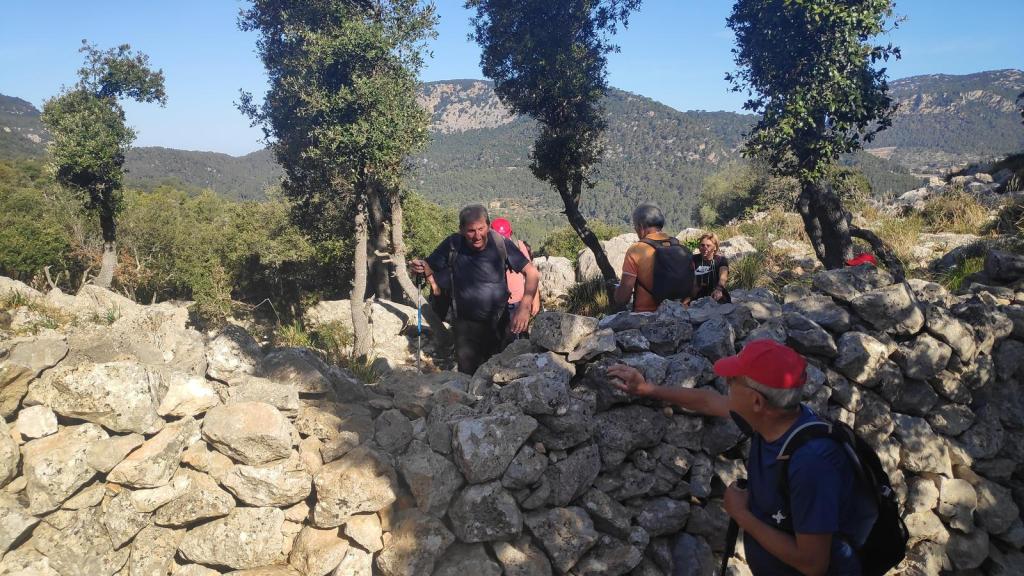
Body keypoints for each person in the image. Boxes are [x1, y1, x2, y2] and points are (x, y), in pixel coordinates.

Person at [607, 340, 877, 576]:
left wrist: (739, 513)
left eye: (734, 380)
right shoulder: (774, 418)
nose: (726, 383)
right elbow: (708, 401)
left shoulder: (812, 463)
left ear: (757, 401)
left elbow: (812, 564)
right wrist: (648, 389)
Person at [410, 205, 540, 375]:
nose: (477, 236)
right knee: (469, 378)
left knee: (502, 375)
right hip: (466, 329)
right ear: (461, 229)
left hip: (500, 324)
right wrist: (420, 267)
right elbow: (430, 266)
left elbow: (531, 272)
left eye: (481, 228)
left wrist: (524, 306)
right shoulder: (453, 245)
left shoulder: (500, 243)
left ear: (489, 225)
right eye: (471, 231)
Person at [614, 203, 692, 312]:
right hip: (680, 312)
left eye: (635, 227)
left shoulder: (636, 250)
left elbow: (623, 298)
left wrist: (617, 291)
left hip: (647, 317)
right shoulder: (679, 246)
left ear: (640, 227)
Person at [492, 217, 542, 322]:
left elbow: (531, 273)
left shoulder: (518, 246)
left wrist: (535, 299)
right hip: (496, 303)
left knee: (518, 333)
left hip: (517, 301)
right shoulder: (486, 250)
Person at [691, 232, 730, 303]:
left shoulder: (721, 260)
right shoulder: (693, 259)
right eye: (702, 245)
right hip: (697, 296)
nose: (704, 248)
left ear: (715, 247)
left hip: (716, 294)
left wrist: (719, 289)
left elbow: (723, 276)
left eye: (708, 246)